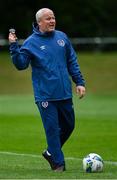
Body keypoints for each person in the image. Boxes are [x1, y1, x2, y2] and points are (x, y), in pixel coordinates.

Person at [8, 8, 86, 172]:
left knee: (69, 125)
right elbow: (21, 65)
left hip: (64, 93)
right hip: (45, 96)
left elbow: (72, 61)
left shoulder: (62, 37)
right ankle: (58, 164)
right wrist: (14, 47)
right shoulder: (31, 42)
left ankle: (51, 152)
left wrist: (79, 82)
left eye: (53, 18)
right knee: (52, 129)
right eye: (48, 18)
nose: (52, 21)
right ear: (39, 22)